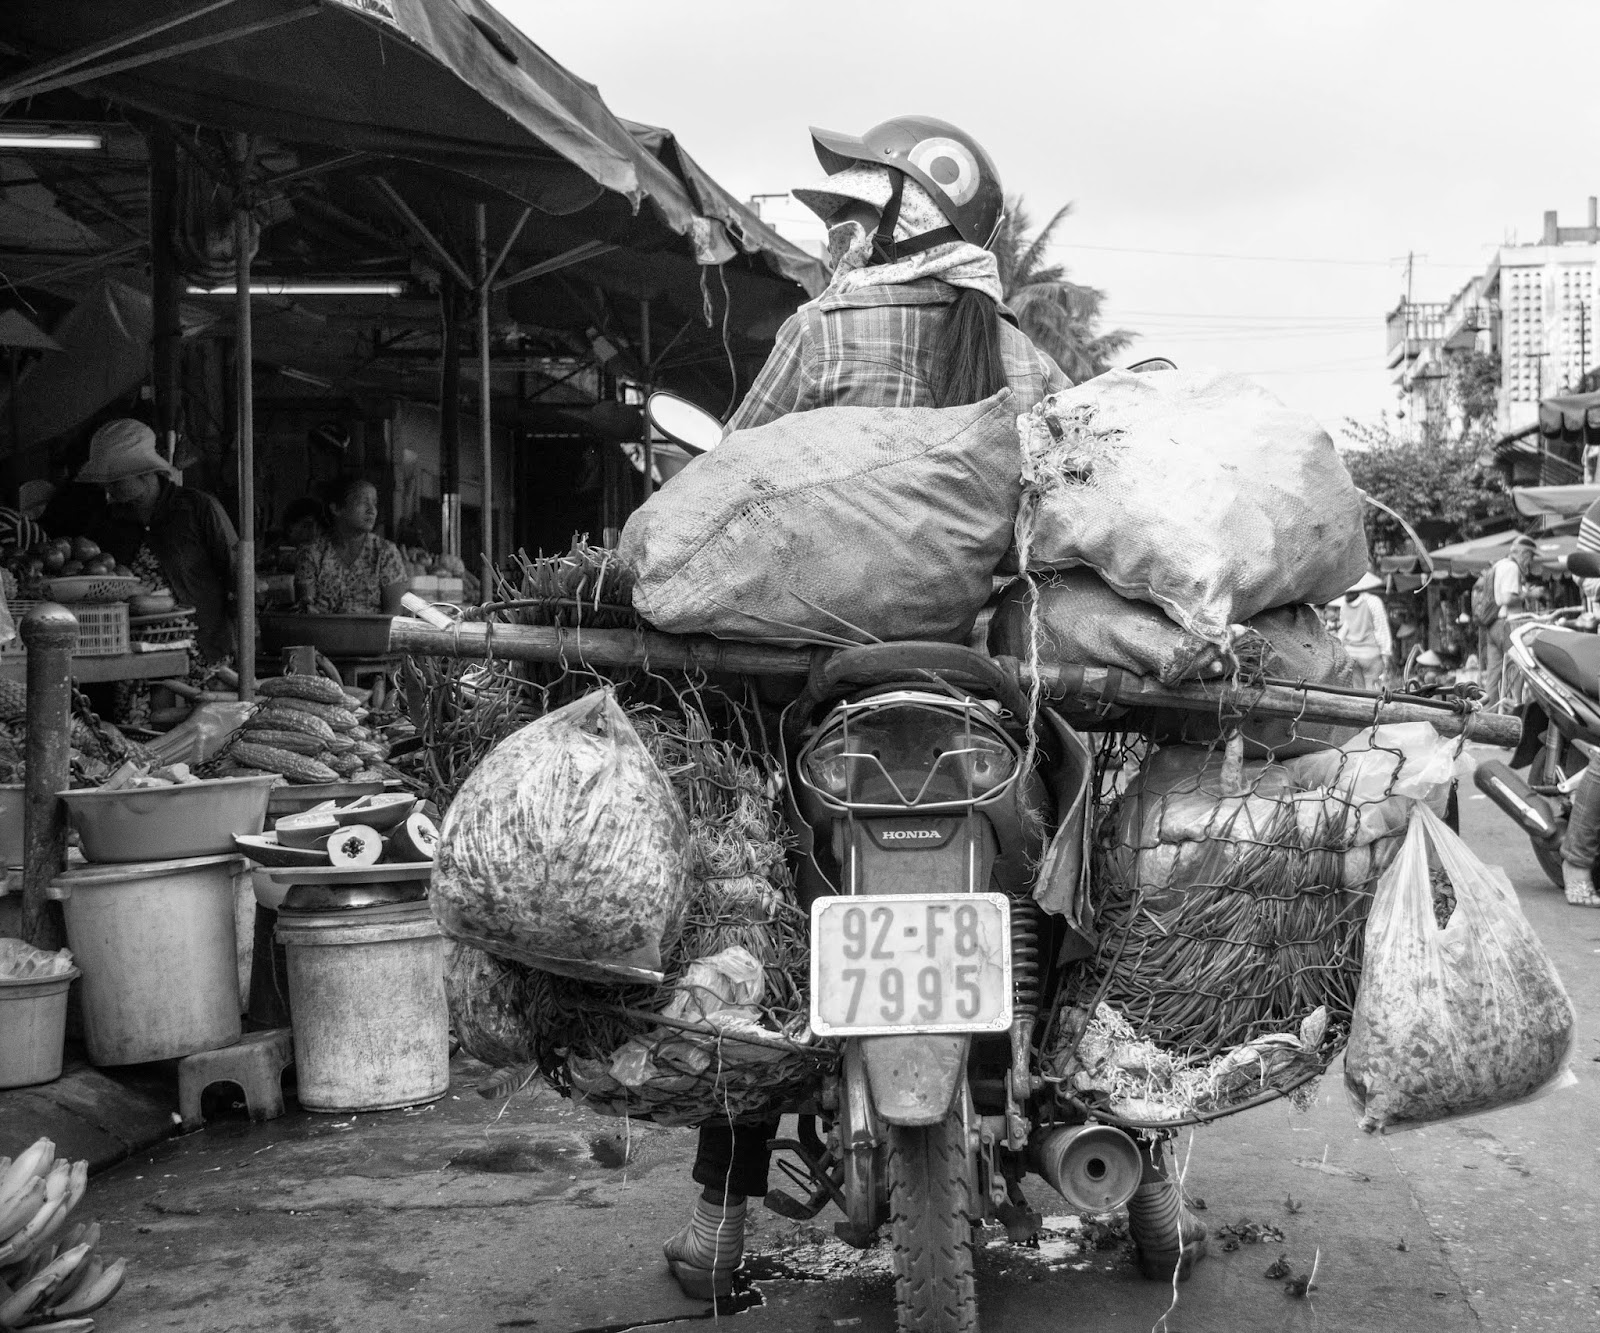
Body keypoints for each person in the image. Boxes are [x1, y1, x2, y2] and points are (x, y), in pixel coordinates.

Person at [662, 115, 1074, 1302]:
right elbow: (1074, 503)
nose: (839, 230)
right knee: (1072, 870)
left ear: (907, 215)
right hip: (981, 694)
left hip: (825, 686)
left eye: (855, 209)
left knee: (760, 908)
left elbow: (729, 481)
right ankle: (1115, 1125)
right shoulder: (1019, 354)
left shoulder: (820, 328)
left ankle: (720, 1222)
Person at [83, 419, 238, 661]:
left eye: (116, 480)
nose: (108, 489)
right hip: (131, 654)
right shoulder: (108, 522)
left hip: (202, 649)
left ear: (145, 473)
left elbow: (235, 571)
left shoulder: (197, 507)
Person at [293, 476, 407, 615]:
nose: (372, 510)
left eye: (374, 503)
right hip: (323, 628)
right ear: (336, 508)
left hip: (375, 629)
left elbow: (393, 614)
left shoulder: (385, 553)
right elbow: (307, 610)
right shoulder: (312, 553)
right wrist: (313, 609)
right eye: (362, 502)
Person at [1481, 534, 1539, 708]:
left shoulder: (1498, 565)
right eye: (1531, 556)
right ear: (1523, 554)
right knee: (1518, 667)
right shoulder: (1512, 567)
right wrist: (1530, 594)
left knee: (1493, 675)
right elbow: (1506, 598)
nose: (1530, 561)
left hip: (1492, 624)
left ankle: (1487, 714)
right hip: (1507, 625)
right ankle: (1516, 709)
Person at [1334, 572, 1393, 691]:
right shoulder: (1373, 601)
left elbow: (1343, 631)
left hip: (1351, 655)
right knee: (1373, 690)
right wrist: (1386, 655)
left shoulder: (1344, 605)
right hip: (1370, 655)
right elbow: (1381, 630)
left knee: (1357, 691)